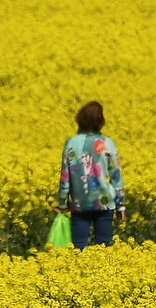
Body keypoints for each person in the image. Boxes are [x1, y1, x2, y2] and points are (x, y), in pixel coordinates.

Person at [57, 103, 123, 248]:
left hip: (80, 203)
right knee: (103, 247)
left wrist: (61, 203)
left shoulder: (71, 143)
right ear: (101, 121)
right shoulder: (107, 143)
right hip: (105, 202)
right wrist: (121, 205)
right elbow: (116, 175)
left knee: (79, 248)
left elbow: (65, 176)